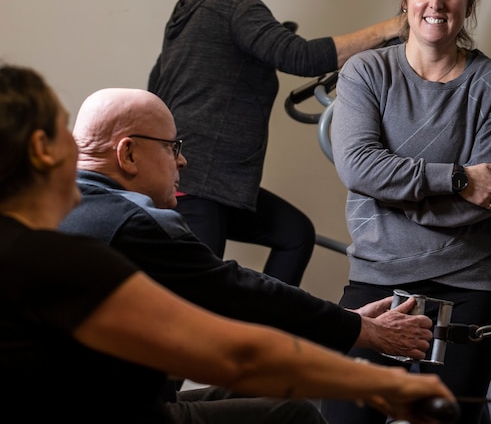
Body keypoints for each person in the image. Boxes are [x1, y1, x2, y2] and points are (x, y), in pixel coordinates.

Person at [0, 63, 453, 423]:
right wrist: (379, 381)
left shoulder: (35, 247)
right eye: (65, 129)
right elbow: (236, 350)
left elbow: (203, 350)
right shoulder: (83, 242)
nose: (78, 146)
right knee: (291, 415)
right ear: (42, 148)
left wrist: (346, 335)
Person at [147, 0, 402, 286]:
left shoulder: (190, 7)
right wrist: (393, 26)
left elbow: (161, 82)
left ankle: (269, 331)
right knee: (197, 299)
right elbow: (300, 56)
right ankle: (252, 341)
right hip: (200, 182)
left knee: (294, 234)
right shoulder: (235, 6)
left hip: (195, 177)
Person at [321, 0, 491, 424]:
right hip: (379, 277)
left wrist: (392, 194)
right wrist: (453, 178)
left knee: (444, 418)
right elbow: (359, 167)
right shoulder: (367, 71)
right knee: (343, 416)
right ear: (405, 1)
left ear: (468, 5)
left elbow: (484, 197)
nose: (436, 2)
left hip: (470, 279)